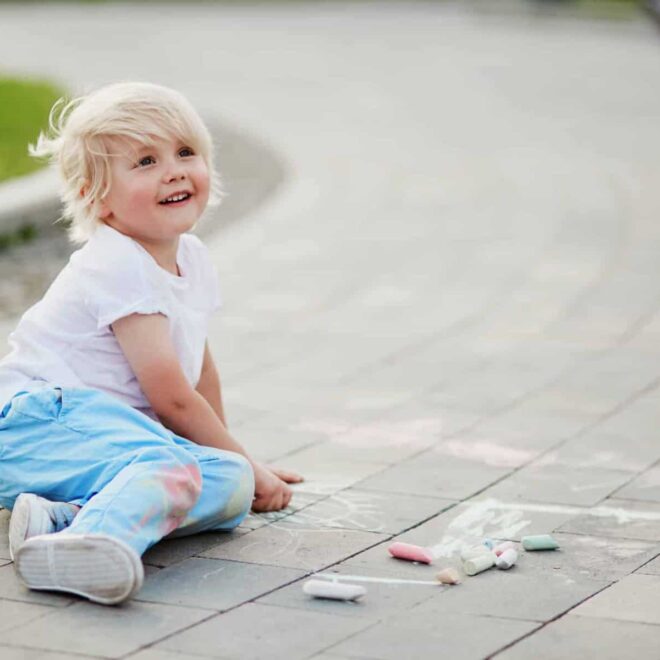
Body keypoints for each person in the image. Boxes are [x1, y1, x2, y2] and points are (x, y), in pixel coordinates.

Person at [0, 81, 303, 605]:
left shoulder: (192, 256)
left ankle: (63, 521)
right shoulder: (117, 263)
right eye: (145, 162)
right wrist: (247, 464)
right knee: (180, 468)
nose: (174, 170)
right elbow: (171, 397)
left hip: (99, 443)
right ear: (98, 197)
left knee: (228, 486)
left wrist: (238, 459)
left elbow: (198, 372)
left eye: (186, 152)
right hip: (36, 424)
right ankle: (91, 546)